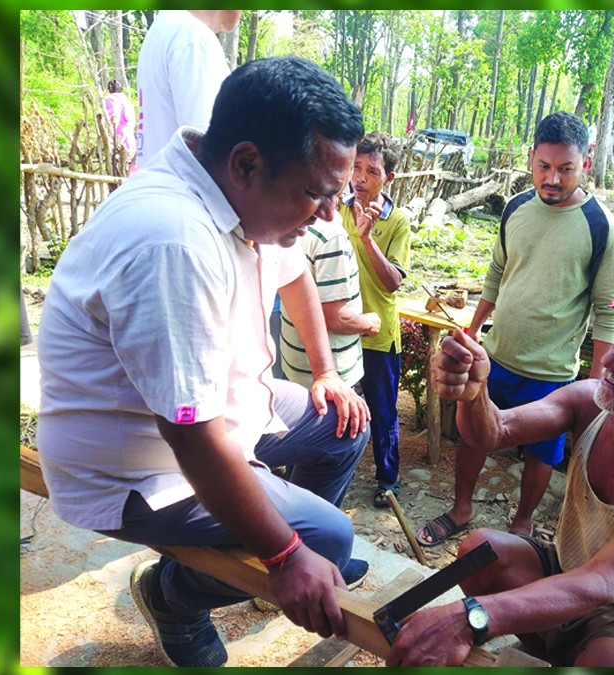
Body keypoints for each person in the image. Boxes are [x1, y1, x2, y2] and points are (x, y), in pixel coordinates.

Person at [37, 56, 371, 668]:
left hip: (221, 414)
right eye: (318, 194)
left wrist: (324, 373)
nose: (328, 215)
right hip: (135, 469)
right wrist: (286, 555)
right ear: (246, 162)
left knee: (345, 423)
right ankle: (174, 595)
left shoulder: (240, 199)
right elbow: (190, 435)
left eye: (337, 195)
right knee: (328, 536)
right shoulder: (174, 242)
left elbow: (295, 275)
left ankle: (257, 540)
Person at [387, 275, 614, 667]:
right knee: (480, 550)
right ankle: (558, 649)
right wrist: (474, 394)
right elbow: (494, 431)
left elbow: (603, 582)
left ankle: (583, 651)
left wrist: (470, 618)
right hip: (569, 573)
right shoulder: (589, 404)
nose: (610, 362)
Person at [417, 111, 614, 546]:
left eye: (565, 169)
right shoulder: (515, 208)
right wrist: (473, 333)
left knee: (541, 453)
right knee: (474, 436)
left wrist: (595, 386)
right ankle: (461, 509)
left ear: (584, 164)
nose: (552, 179)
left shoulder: (601, 226)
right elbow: (496, 273)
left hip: (552, 372)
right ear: (530, 159)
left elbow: (609, 310)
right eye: (544, 167)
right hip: (496, 356)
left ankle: (522, 526)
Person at [340, 131, 412, 507]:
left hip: (378, 334)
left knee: (383, 411)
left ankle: (388, 479)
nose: (361, 177)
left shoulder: (397, 221)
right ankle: (335, 469)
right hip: (340, 329)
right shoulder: (337, 210)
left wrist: (368, 240)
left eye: (371, 170)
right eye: (356, 167)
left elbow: (392, 283)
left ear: (389, 179)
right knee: (340, 406)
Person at [280, 205, 382, 389]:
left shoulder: (288, 218)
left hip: (296, 367)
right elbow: (335, 318)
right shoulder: (331, 235)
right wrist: (369, 323)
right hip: (334, 380)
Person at [134, 10, 241, 168]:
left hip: (162, 183)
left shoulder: (165, 29)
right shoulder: (192, 37)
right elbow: (209, 147)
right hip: (184, 189)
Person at [103, 78, 137, 176]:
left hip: (120, 137)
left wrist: (112, 138)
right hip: (129, 137)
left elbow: (114, 118)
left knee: (119, 166)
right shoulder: (127, 101)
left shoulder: (111, 99)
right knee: (130, 166)